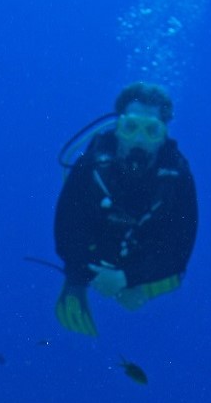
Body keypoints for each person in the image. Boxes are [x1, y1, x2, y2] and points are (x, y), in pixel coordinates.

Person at [53, 83, 198, 335]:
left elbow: (180, 251)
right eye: (130, 127)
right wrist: (77, 278)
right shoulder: (91, 165)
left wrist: (127, 278)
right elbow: (66, 230)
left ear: (163, 135)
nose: (139, 140)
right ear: (118, 128)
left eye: (151, 130)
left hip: (146, 263)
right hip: (93, 258)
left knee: (169, 284)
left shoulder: (177, 177)